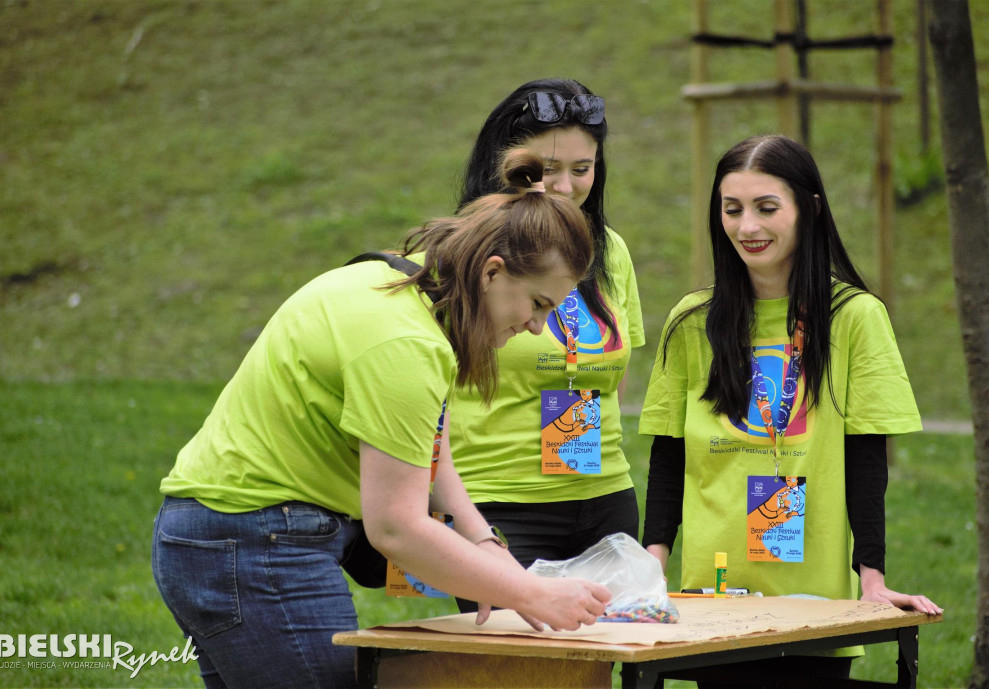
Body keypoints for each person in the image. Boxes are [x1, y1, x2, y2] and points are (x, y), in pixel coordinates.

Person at [151, 150, 613, 689]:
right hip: (258, 544)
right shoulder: (406, 344)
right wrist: (534, 594)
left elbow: (423, 443)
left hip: (217, 535)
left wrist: (485, 546)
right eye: (537, 303)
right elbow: (396, 527)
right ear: (493, 271)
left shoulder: (402, 283)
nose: (537, 327)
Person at [640, 134, 942, 685]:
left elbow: (866, 458)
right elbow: (669, 452)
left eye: (766, 208)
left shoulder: (854, 317)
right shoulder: (691, 321)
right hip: (714, 596)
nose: (747, 227)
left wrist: (871, 579)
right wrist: (651, 568)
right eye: (731, 210)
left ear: (809, 208)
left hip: (815, 602)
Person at [449, 79, 645, 610]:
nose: (564, 185)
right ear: (505, 162)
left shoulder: (611, 252)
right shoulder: (464, 252)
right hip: (500, 505)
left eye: (582, 169)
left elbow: (615, 371)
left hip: (605, 500)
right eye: (547, 169)